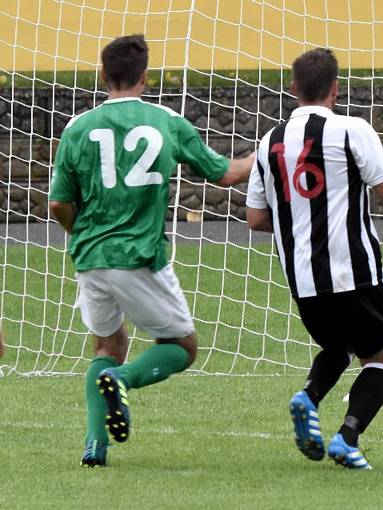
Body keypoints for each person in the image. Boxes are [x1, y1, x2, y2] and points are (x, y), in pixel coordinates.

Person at [48, 34, 254, 468]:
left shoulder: (77, 127)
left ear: (102, 75)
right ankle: (121, 381)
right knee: (182, 346)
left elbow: (57, 203)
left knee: (107, 344)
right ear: (145, 76)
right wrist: (266, 152)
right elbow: (224, 174)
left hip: (89, 256)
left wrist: (79, 229)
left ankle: (95, 445)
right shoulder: (166, 121)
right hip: (140, 255)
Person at [246, 48, 383, 470]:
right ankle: (346, 437)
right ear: (335, 89)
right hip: (354, 269)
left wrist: (300, 225)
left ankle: (309, 396)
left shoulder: (268, 142)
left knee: (338, 345)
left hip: (302, 276)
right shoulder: (352, 129)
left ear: (293, 89)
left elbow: (256, 218)